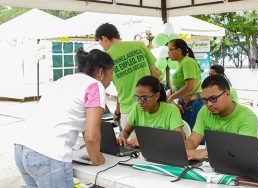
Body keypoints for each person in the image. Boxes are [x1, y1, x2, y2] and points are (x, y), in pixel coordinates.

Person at [14, 48, 114, 187]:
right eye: (112, 73)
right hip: (48, 155)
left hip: (22, 148)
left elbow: (85, 128)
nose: (112, 79)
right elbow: (92, 136)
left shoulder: (64, 79)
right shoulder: (95, 85)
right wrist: (97, 159)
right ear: (101, 73)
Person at [95, 23, 159, 130]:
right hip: (149, 106)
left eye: (101, 44)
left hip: (127, 111)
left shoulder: (107, 58)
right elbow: (155, 75)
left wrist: (117, 112)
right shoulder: (139, 45)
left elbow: (120, 89)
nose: (103, 48)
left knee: (128, 144)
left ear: (104, 38)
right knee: (151, 144)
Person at [185, 75, 258, 160]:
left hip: (238, 166)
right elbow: (193, 141)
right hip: (212, 165)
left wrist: (204, 152)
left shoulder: (247, 117)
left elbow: (241, 151)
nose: (209, 104)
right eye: (205, 100)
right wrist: (182, 148)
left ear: (227, 94)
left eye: (213, 98)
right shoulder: (204, 111)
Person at [118, 76, 185, 147]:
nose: (140, 102)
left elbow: (180, 138)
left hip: (165, 153)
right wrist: (122, 137)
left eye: (145, 98)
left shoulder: (171, 110)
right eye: (137, 97)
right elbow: (126, 131)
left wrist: (147, 142)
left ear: (157, 96)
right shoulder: (137, 107)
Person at [167, 39, 203, 129]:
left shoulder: (188, 62)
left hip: (192, 104)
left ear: (179, 50)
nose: (168, 53)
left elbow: (190, 85)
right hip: (188, 103)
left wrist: (172, 97)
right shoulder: (182, 63)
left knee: (192, 135)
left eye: (170, 50)